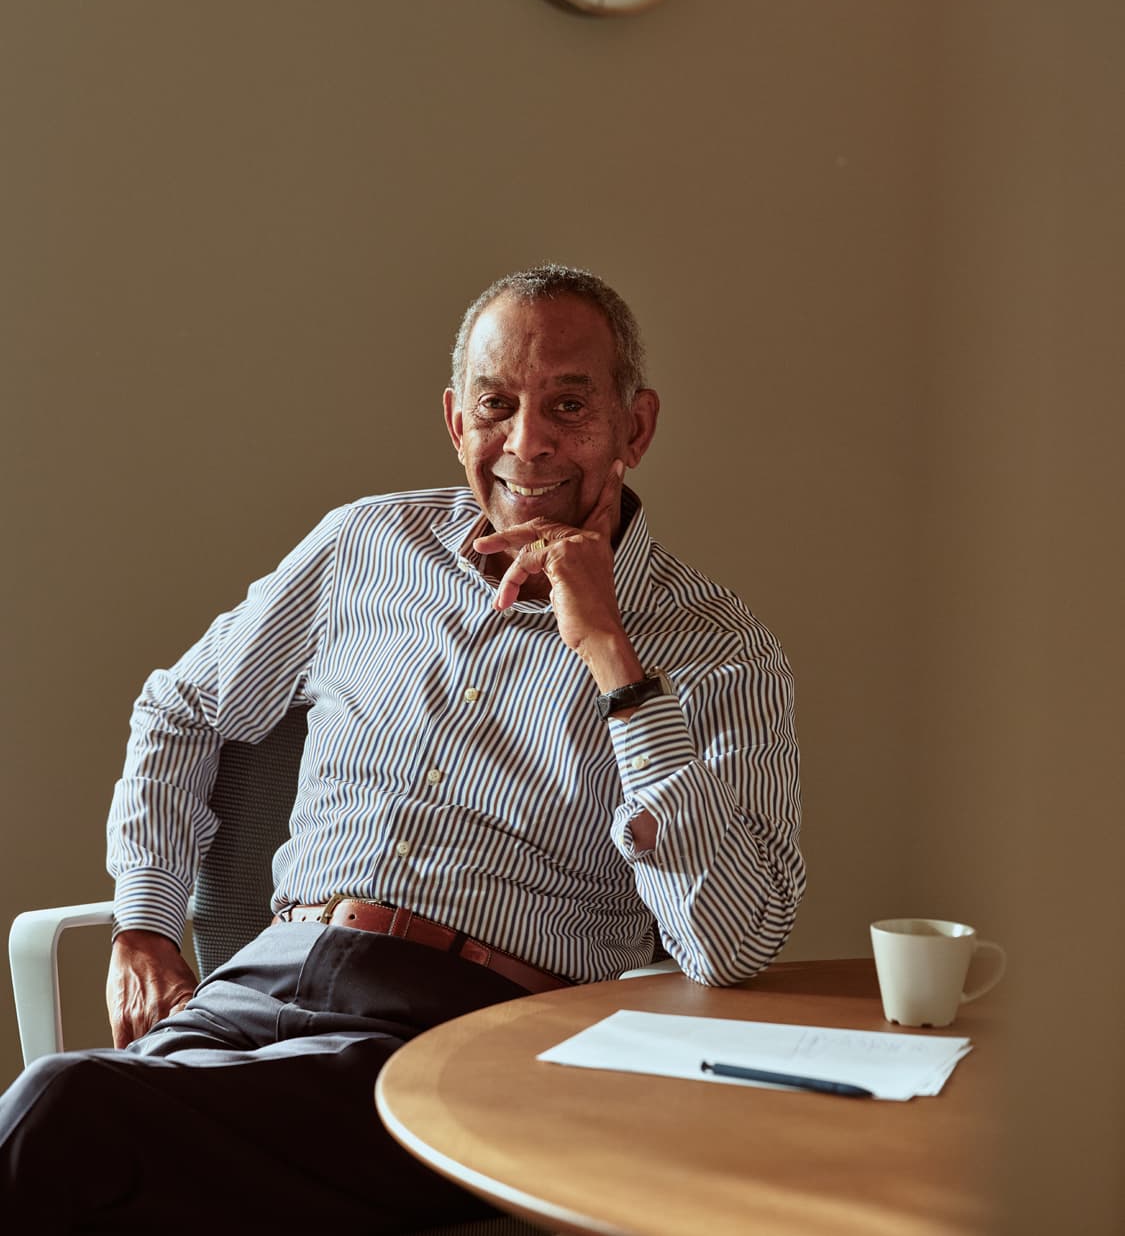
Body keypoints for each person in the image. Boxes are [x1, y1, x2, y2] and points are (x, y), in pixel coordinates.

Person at [0, 264, 805, 1232]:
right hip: (258, 991)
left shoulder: (719, 649)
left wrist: (614, 663)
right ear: (457, 422)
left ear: (636, 428)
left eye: (568, 404)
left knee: (64, 1117)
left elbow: (736, 941)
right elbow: (183, 708)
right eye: (497, 404)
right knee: (86, 1143)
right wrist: (144, 925)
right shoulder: (366, 546)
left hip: (470, 1041)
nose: (528, 442)